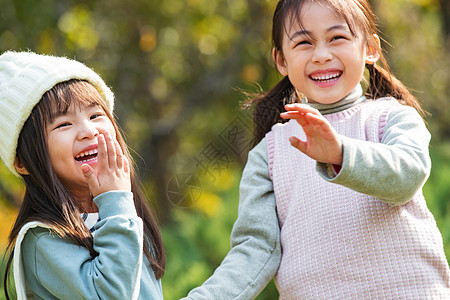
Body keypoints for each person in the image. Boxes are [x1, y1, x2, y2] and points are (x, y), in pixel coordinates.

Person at [183, 0, 450, 298]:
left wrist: (340, 155)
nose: (321, 55)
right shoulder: (270, 152)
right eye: (304, 43)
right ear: (281, 61)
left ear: (370, 48)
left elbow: (407, 176)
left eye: (337, 38)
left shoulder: (391, 117)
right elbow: (256, 249)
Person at [0, 51, 166, 300]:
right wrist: (114, 199)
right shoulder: (43, 239)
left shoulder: (122, 214)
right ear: (23, 162)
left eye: (95, 115)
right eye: (63, 124)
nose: (88, 131)